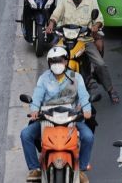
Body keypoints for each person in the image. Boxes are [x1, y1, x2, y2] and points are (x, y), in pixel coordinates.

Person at [45, 0, 121, 104]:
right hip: (66, 38)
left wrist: (96, 26)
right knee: (53, 58)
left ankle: (110, 89)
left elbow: (98, 18)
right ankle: (50, 89)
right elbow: (56, 13)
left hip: (84, 39)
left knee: (100, 64)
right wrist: (51, 23)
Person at [20, 47, 93, 183]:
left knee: (88, 137)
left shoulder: (76, 77)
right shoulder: (44, 79)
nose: (56, 64)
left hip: (71, 118)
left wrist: (86, 109)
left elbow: (83, 96)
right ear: (49, 63)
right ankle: (35, 168)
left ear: (66, 61)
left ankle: (82, 169)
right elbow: (37, 96)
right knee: (25, 135)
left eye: (59, 60)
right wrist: (34, 110)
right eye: (53, 61)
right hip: (47, 118)